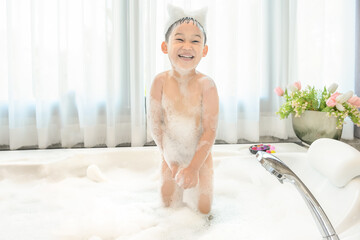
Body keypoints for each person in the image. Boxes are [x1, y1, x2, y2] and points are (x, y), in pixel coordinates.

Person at [149, 5, 219, 215]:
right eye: (179, 39)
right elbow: (155, 127)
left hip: (200, 159)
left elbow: (209, 131)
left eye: (195, 41)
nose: (187, 46)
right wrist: (172, 162)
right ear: (165, 46)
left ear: (204, 50)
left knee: (203, 211)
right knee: (167, 206)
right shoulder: (159, 82)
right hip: (170, 156)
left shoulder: (207, 86)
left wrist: (193, 168)